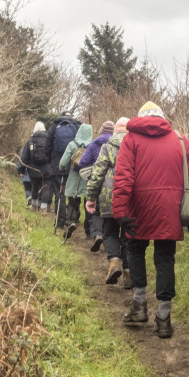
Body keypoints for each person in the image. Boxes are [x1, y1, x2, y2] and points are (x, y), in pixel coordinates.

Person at [112, 102, 189, 339]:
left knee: (134, 249)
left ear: (140, 117)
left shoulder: (130, 140)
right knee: (165, 259)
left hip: (137, 209)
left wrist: (120, 211)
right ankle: (164, 318)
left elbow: (122, 178)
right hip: (169, 210)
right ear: (162, 117)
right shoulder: (181, 141)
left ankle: (139, 305)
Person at [86, 118, 132, 288]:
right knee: (127, 235)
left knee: (109, 231)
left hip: (108, 197)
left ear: (115, 132)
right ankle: (128, 274)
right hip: (129, 198)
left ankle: (114, 262)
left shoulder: (106, 148)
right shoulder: (134, 147)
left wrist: (91, 197)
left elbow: (97, 174)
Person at [79, 120, 115, 252]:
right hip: (112, 183)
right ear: (113, 132)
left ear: (101, 131)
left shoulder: (94, 143)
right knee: (108, 212)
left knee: (94, 210)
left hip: (96, 179)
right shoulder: (118, 143)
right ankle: (107, 239)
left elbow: (83, 162)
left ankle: (97, 234)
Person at [47, 111, 81, 230]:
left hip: (57, 166)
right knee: (73, 193)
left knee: (60, 194)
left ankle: (60, 222)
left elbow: (47, 146)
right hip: (73, 166)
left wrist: (49, 162)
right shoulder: (77, 126)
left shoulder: (53, 126)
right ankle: (73, 219)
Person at [59, 124, 93, 241]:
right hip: (88, 179)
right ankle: (89, 232)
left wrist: (62, 168)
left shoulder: (72, 145)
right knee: (88, 205)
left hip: (74, 179)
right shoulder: (92, 146)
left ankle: (72, 221)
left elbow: (63, 163)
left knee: (73, 202)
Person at [19, 121, 53, 211]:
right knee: (46, 187)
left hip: (33, 168)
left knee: (35, 187)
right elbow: (53, 154)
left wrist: (21, 170)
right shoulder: (49, 140)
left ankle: (34, 206)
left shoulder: (30, 140)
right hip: (47, 168)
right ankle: (43, 208)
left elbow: (25, 157)